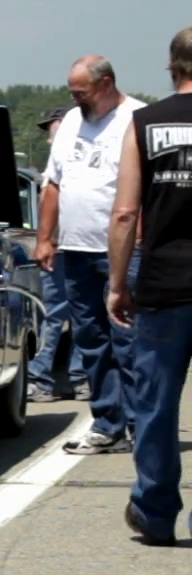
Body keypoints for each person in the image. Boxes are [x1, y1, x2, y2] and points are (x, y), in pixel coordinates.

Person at [36, 55, 147, 454]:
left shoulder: (136, 118)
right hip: (77, 250)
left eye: (81, 92)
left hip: (123, 251)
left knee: (128, 340)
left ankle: (139, 424)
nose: (75, 98)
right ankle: (106, 423)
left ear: (106, 84)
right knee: (91, 340)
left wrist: (140, 238)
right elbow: (54, 184)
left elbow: (149, 188)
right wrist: (45, 238)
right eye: (72, 92)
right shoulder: (70, 123)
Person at [108, 28, 192, 545]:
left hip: (164, 284)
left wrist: (118, 284)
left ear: (172, 67)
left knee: (155, 406)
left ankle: (155, 512)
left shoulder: (144, 123)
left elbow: (124, 212)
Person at [28, 107, 88, 402]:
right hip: (60, 247)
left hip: (72, 247)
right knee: (56, 314)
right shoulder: (55, 169)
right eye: (50, 133)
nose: (50, 139)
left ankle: (72, 377)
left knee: (75, 315)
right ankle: (46, 377)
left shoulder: (74, 166)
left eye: (55, 131)